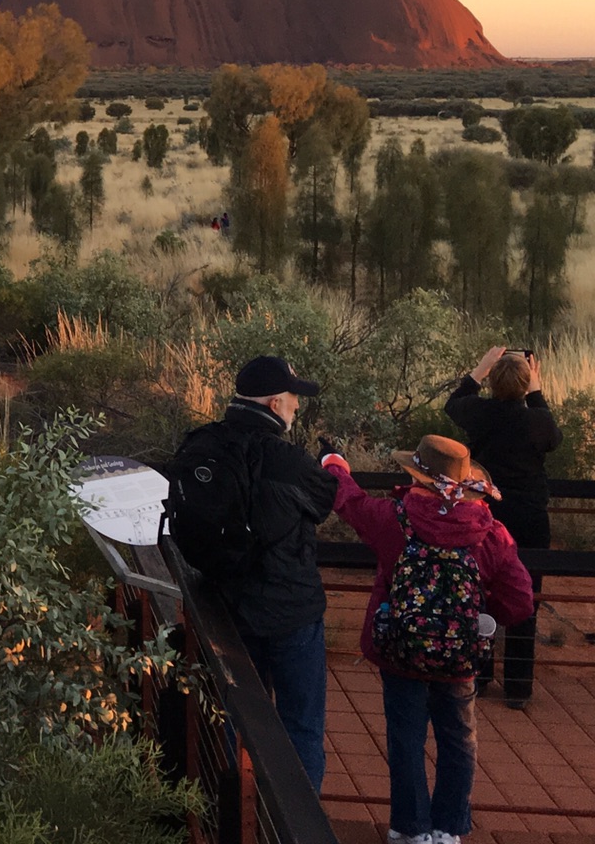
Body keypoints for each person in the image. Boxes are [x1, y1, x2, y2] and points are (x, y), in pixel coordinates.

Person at [320, 437, 532, 844]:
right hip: (459, 657)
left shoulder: (394, 518)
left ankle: (410, 827)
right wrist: (476, 619)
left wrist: (334, 464)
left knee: (406, 738)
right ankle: (449, 828)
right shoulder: (489, 530)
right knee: (458, 739)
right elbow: (520, 599)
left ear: (418, 475)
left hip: (401, 648)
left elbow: (349, 502)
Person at [168, 355, 340, 790]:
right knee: (301, 725)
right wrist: (333, 465)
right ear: (275, 402)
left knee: (237, 718)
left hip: (228, 606)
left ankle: (233, 816)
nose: (297, 408)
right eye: (293, 400)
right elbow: (322, 502)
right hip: (291, 611)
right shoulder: (289, 459)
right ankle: (295, 825)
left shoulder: (203, 444)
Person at [446, 345, 559, 707]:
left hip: (487, 514)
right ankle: (519, 684)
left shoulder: (480, 413)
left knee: (480, 588)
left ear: (492, 382)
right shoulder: (537, 421)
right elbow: (553, 438)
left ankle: (479, 672)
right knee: (526, 594)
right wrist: (536, 390)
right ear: (526, 384)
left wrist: (478, 371)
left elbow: (454, 404)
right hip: (529, 517)